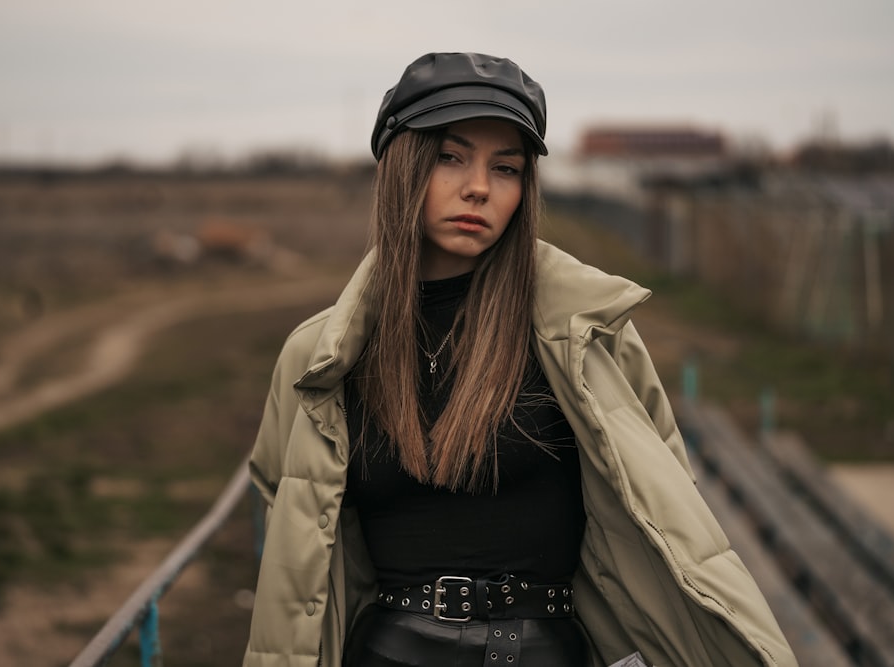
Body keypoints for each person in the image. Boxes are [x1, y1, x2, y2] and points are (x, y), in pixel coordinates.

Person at [242, 52, 795, 667]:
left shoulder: (588, 339)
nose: (478, 186)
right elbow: (297, 543)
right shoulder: (317, 358)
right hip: (387, 652)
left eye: (505, 168)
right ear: (400, 166)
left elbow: (661, 514)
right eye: (450, 157)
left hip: (543, 653)